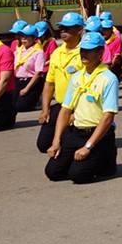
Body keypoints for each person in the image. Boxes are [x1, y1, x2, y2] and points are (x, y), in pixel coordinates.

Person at [45, 32, 119, 183]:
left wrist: (88, 147)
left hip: (97, 135)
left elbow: (108, 117)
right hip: (75, 132)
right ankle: (84, 162)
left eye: (89, 51)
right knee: (52, 172)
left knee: (78, 175)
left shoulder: (108, 78)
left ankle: (106, 160)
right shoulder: (77, 77)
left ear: (100, 53)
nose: (84, 54)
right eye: (82, 50)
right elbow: (65, 110)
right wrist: (56, 141)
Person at [38, 12, 85, 153]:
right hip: (61, 104)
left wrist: (77, 113)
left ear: (79, 30)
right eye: (62, 28)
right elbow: (49, 83)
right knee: (43, 144)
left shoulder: (86, 52)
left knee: (68, 144)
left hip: (79, 106)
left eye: (68, 28)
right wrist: (45, 109)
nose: (63, 31)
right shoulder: (57, 53)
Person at [14, 22, 49, 111]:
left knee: (20, 107)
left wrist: (27, 88)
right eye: (22, 37)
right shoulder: (19, 51)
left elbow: (38, 73)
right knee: (10, 105)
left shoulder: (38, 52)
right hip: (17, 80)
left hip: (31, 81)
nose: (23, 39)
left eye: (27, 37)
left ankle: (37, 101)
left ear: (34, 38)